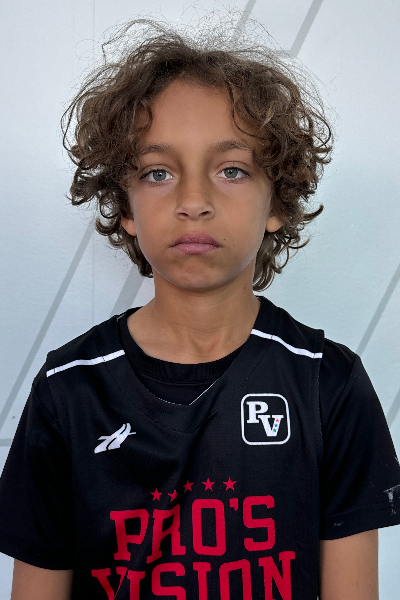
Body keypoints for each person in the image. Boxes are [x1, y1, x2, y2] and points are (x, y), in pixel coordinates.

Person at [1, 14, 399, 600]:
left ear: (276, 203)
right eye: (158, 172)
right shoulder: (69, 390)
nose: (193, 201)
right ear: (125, 207)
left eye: (231, 170)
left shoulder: (328, 385)